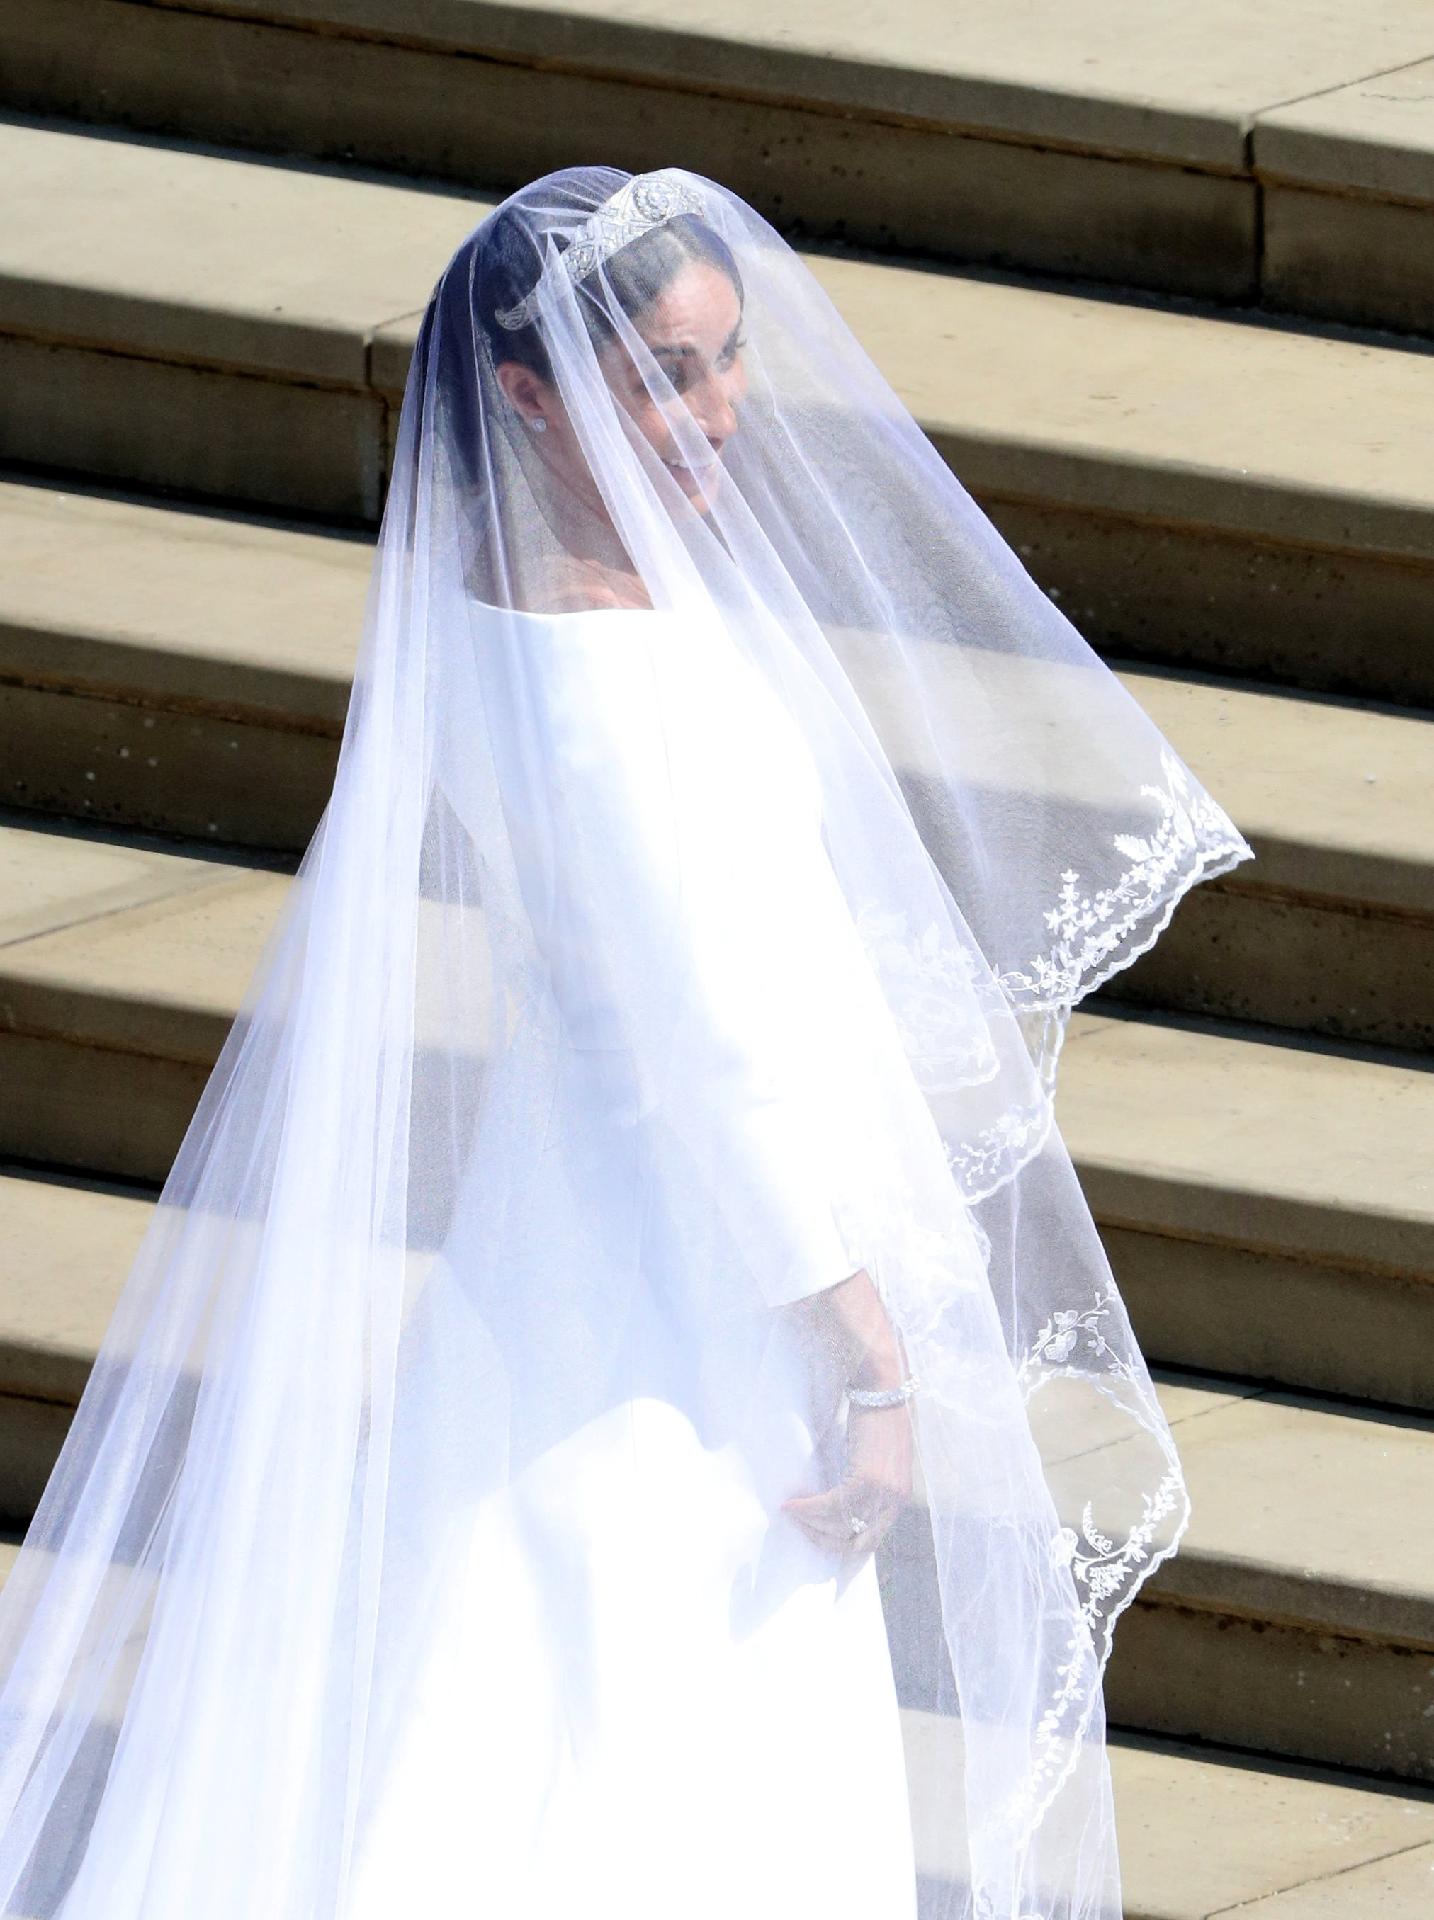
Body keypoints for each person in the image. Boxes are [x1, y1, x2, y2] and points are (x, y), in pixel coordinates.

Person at [0, 166, 1255, 1920]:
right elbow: (710, 1051)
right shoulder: (600, 678)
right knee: (649, 1704)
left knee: (521, 1678)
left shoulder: (505, 605)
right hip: (679, 1292)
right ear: (526, 396)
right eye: (663, 376)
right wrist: (869, 1358)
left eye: (726, 360)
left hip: (563, 1237)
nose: (717, 415)